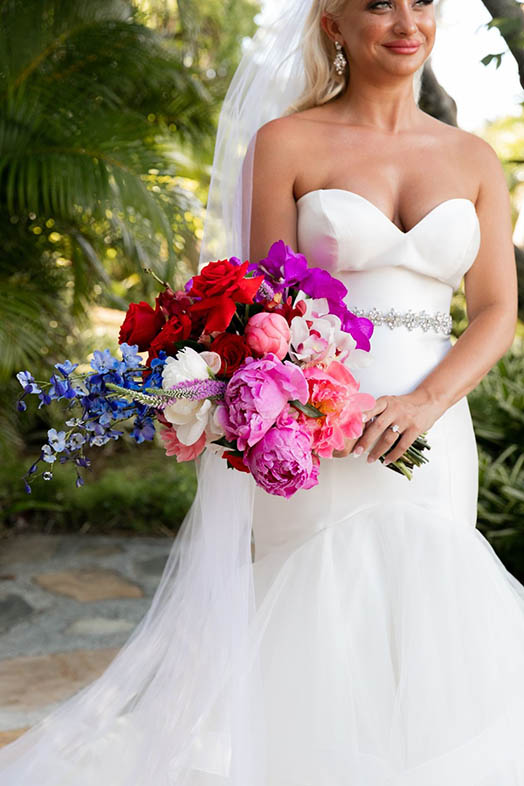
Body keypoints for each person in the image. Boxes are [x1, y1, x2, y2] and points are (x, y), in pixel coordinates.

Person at [0, 0, 522, 784]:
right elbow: (257, 309)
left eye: (421, 0)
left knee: (424, 625)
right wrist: (310, 402)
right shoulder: (285, 143)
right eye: (379, 2)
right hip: (313, 432)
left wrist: (423, 404)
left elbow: (496, 311)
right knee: (314, 628)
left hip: (431, 436)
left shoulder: (474, 159)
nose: (407, 19)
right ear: (333, 23)